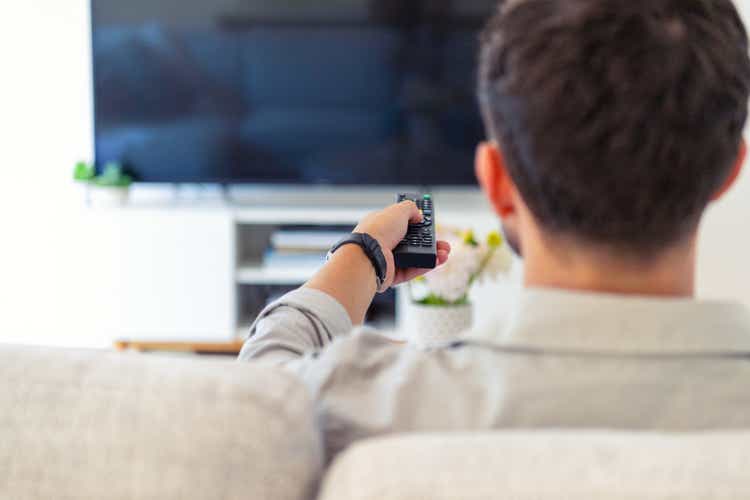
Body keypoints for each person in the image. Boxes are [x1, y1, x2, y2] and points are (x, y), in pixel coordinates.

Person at [240, 0, 750, 462]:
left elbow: (257, 394)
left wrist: (362, 255)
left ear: (497, 183)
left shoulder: (359, 404)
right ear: (729, 172)